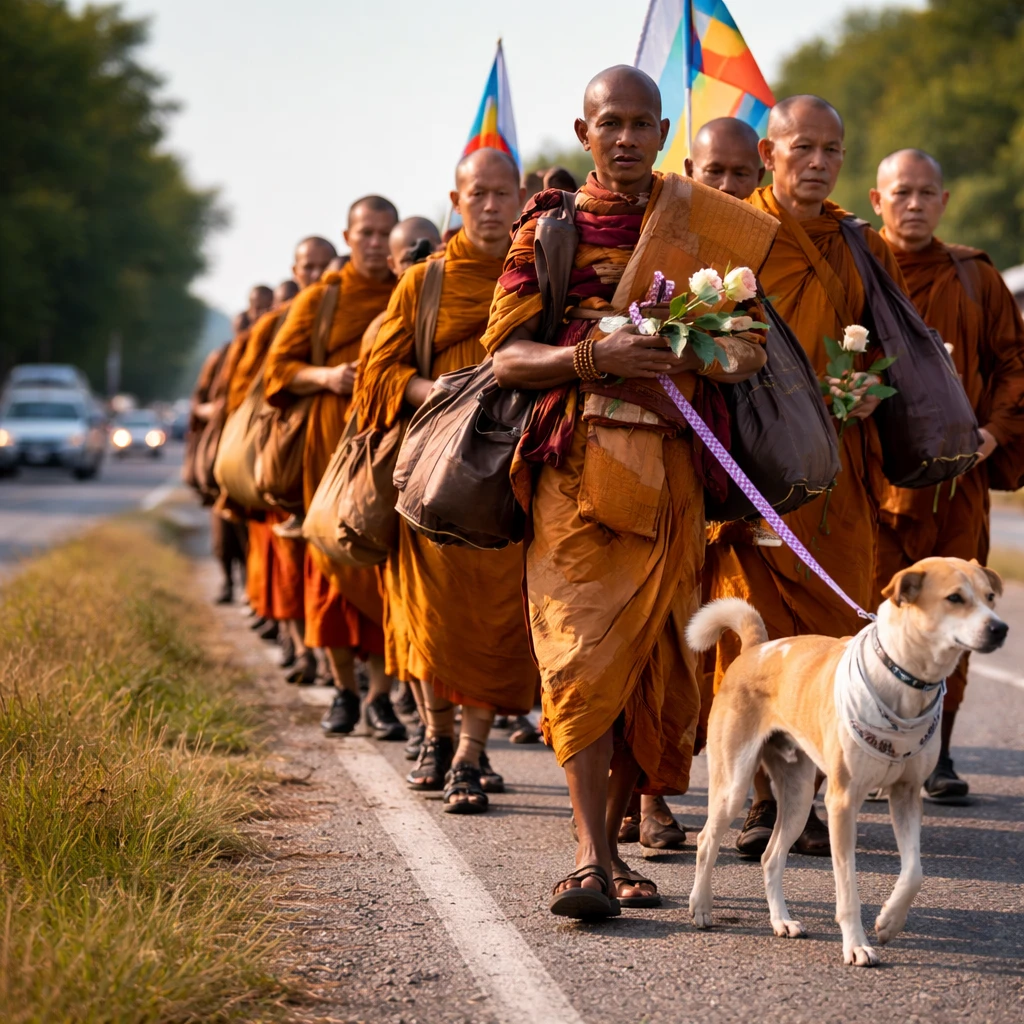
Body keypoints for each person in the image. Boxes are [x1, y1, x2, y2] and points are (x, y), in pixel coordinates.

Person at [483, 66, 772, 917]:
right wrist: (591, 359)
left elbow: (750, 345)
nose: (627, 138)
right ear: (585, 132)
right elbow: (504, 360)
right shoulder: (549, 232)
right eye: (611, 123)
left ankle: (616, 855)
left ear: (662, 132)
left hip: (675, 476)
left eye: (643, 124)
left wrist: (696, 348)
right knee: (579, 657)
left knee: (650, 666)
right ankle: (587, 855)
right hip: (575, 474)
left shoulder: (707, 225)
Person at [708, 95, 908, 858]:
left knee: (829, 633)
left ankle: (818, 791)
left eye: (832, 150)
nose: (818, 164)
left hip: (840, 470)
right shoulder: (736, 233)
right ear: (770, 153)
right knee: (758, 635)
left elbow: (875, 340)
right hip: (759, 470)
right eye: (803, 148)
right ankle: (760, 797)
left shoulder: (861, 246)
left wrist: (858, 386)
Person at [356, 149, 537, 814]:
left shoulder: (539, 276)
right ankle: (435, 733)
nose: (490, 207)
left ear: (521, 198)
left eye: (502, 194)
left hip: (505, 472)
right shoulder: (426, 281)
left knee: (496, 618)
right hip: (431, 471)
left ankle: (471, 752)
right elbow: (377, 372)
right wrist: (440, 394)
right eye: (477, 195)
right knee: (427, 615)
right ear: (455, 203)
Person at [870, 148, 1024, 800]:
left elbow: (1014, 365)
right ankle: (869, 740)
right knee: (873, 612)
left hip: (957, 481)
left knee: (961, 611)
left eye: (925, 192)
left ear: (945, 201)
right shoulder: (859, 267)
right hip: (874, 481)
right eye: (900, 192)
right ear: (877, 202)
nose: (913, 204)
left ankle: (940, 753)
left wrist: (994, 433)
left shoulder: (974, 277)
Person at [263, 198, 404, 739]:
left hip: (384, 451)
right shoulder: (324, 298)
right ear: (348, 236)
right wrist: (326, 378)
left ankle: (381, 698)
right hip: (326, 452)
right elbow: (279, 371)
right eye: (366, 232)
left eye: (383, 233)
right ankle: (345, 691)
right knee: (330, 580)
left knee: (385, 575)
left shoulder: (406, 292)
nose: (374, 242)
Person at [685, 117, 765, 199]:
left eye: (740, 174)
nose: (727, 187)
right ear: (690, 170)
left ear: (759, 177)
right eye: (714, 172)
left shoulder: (770, 211)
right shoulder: (673, 210)